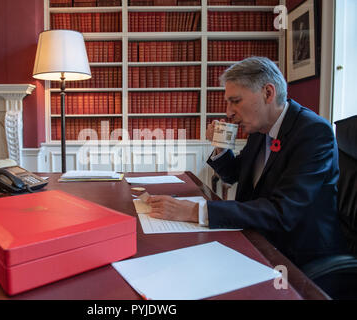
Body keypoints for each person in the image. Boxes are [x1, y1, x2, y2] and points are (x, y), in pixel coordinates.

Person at [146, 57, 347, 266]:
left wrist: (193, 211)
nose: (228, 112)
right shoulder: (261, 129)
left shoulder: (313, 133)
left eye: (236, 101)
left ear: (268, 93)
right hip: (257, 238)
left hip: (297, 256)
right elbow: (234, 175)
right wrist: (221, 148)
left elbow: (283, 212)